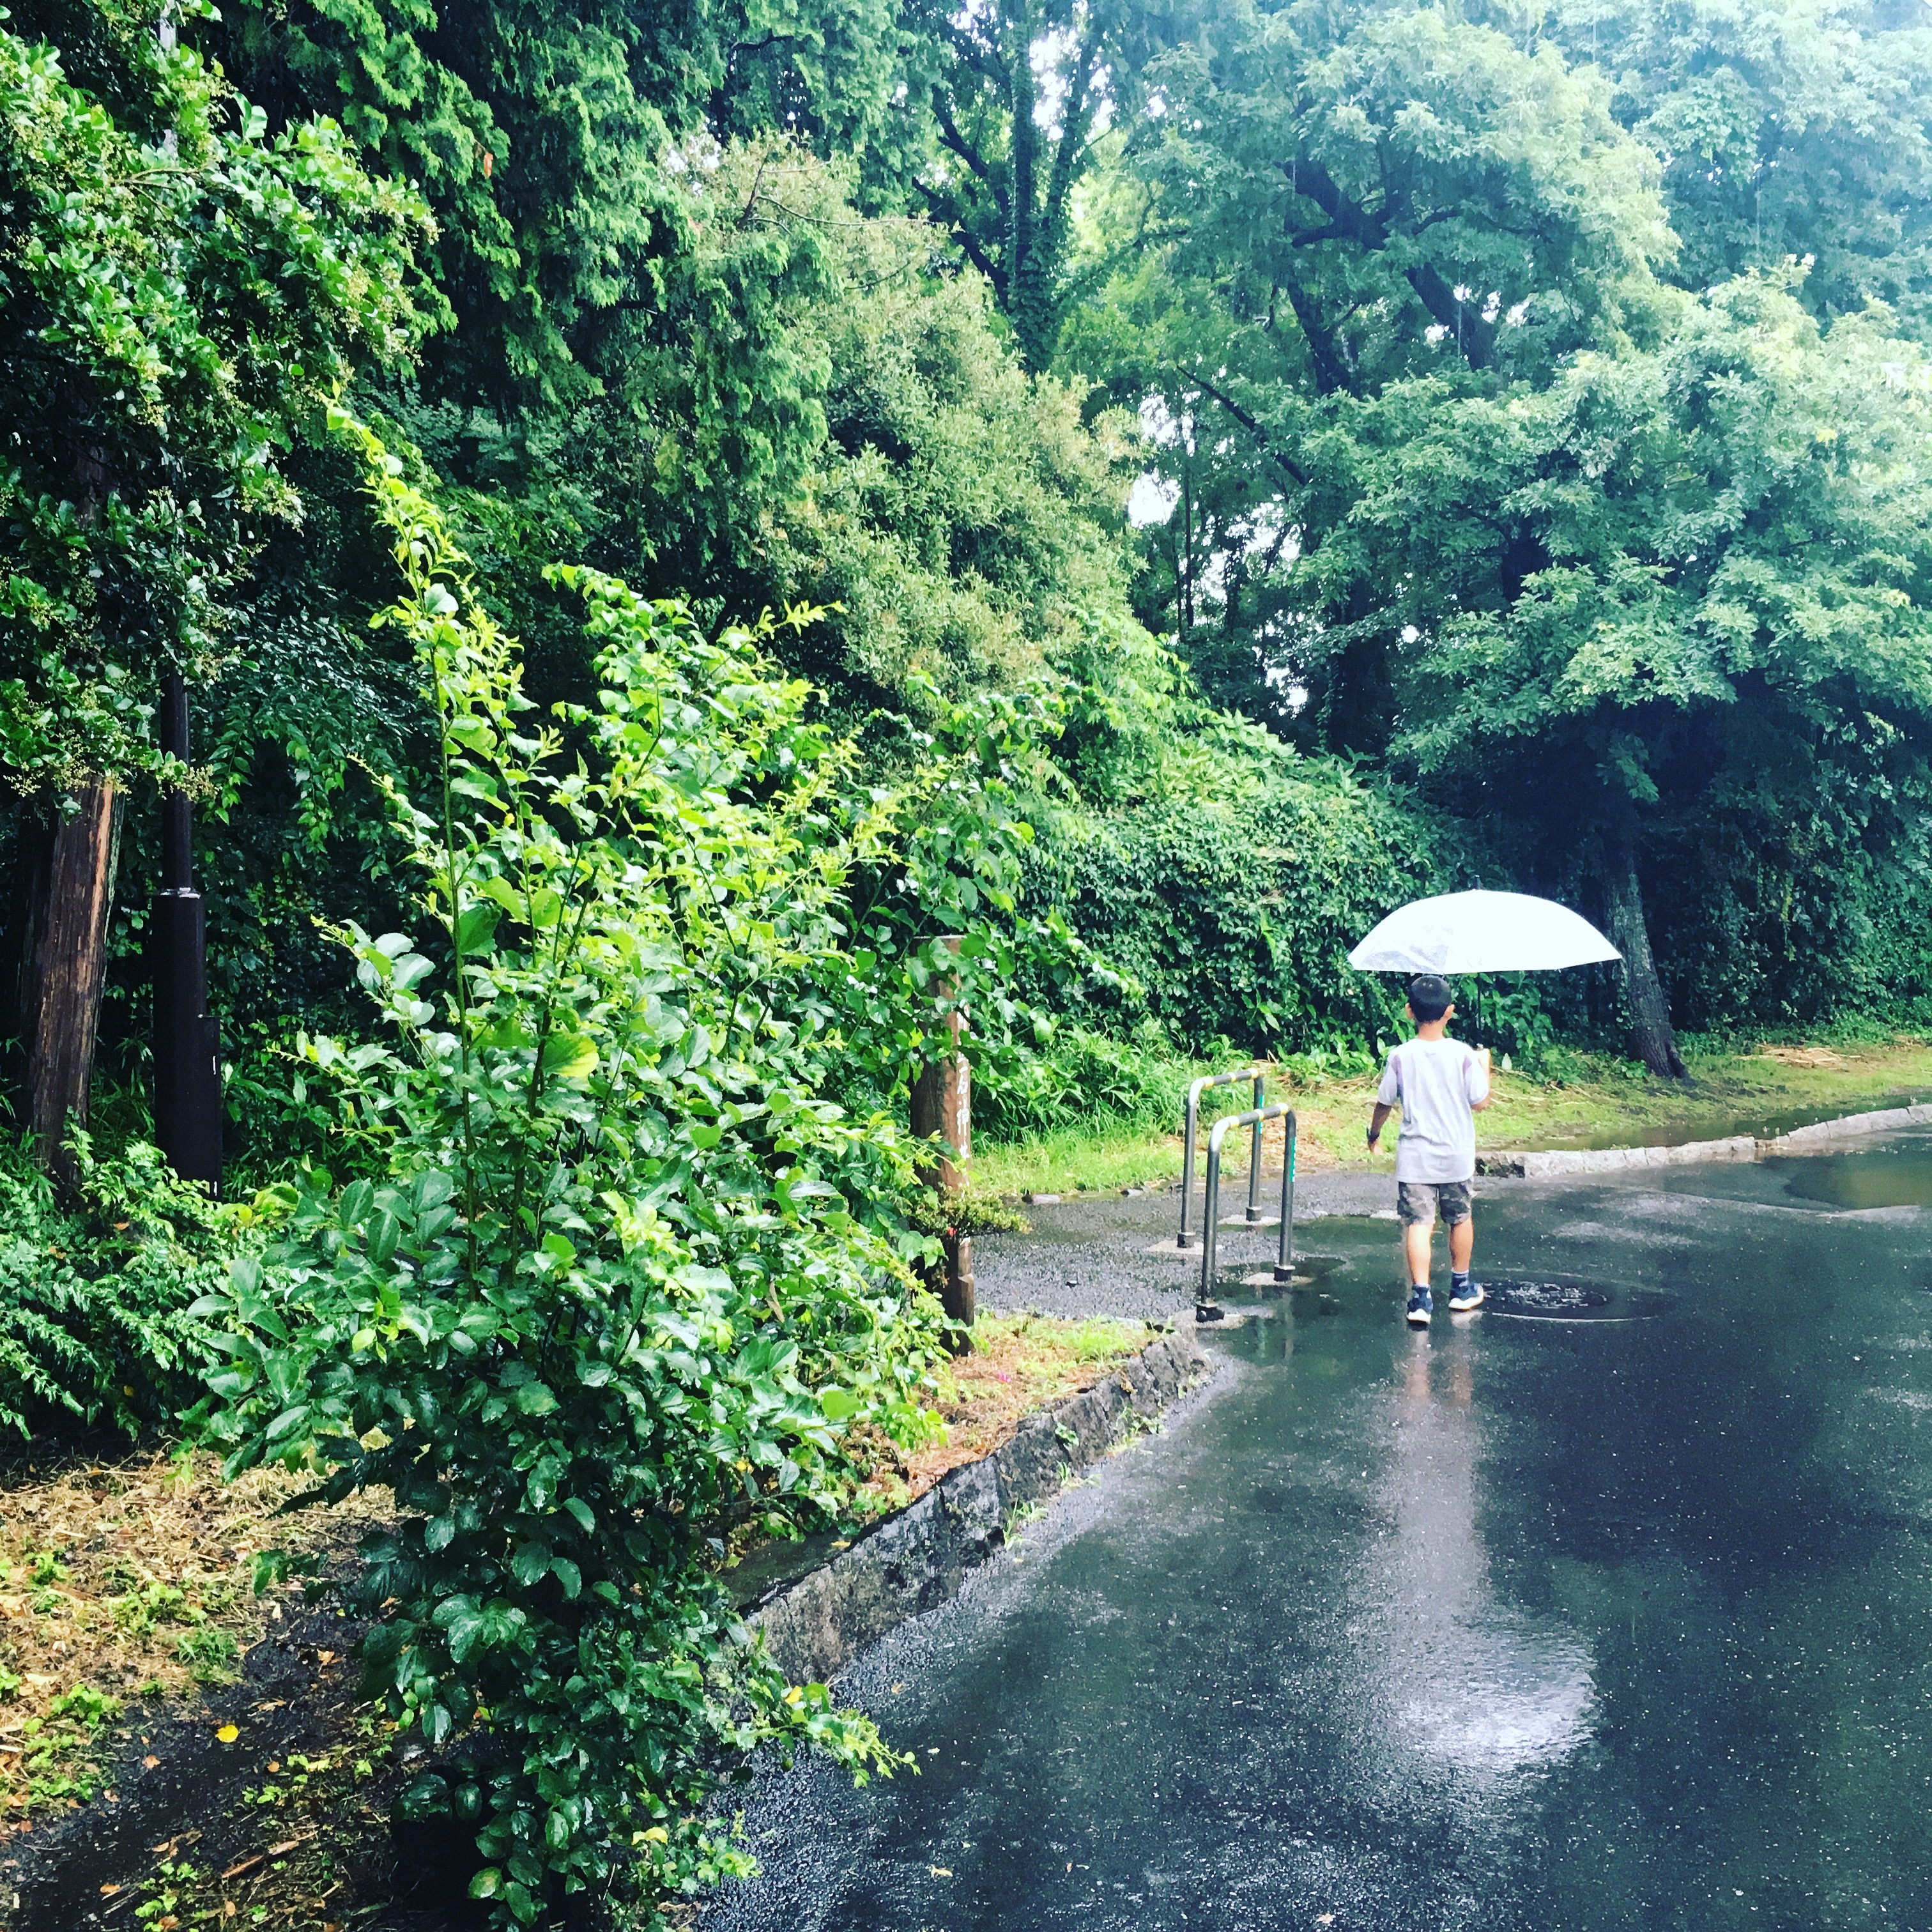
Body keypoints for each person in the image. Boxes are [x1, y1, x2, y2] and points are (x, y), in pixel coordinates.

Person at [1366, 973, 1492, 1327]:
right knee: (1461, 1218)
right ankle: (1461, 1289)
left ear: (1409, 1011)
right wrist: (1486, 1067)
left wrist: (1374, 1134)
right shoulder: (1464, 1054)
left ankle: (1421, 1298)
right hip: (1456, 1157)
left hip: (1416, 1159)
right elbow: (1480, 1102)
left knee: (1419, 1224)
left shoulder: (1400, 1056)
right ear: (1450, 1011)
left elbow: (1384, 1102)